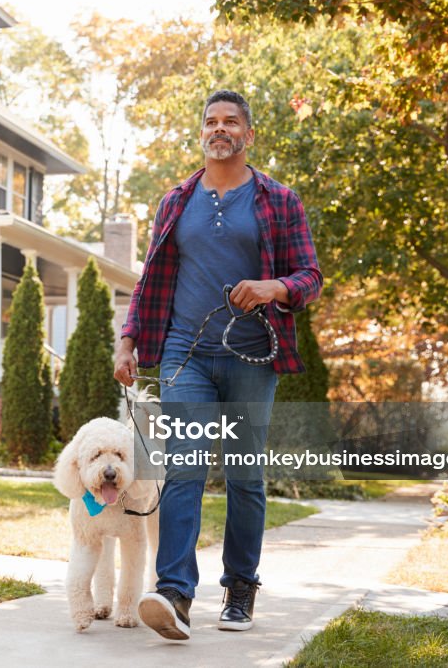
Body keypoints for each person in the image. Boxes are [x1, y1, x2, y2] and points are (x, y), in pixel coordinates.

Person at [114, 89, 323, 639]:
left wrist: (273, 286)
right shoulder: (175, 201)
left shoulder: (279, 200)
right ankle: (175, 593)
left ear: (248, 135)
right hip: (186, 351)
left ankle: (240, 586)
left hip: (252, 355)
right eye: (211, 121)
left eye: (231, 122)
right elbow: (149, 280)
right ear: (202, 132)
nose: (220, 129)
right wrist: (127, 341)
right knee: (184, 465)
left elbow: (310, 277)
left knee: (245, 474)